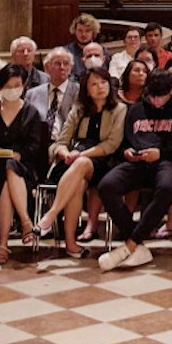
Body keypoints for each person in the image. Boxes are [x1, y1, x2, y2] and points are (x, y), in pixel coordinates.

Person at [97, 68, 172, 270]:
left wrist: (161, 153)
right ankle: (136, 242)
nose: (156, 102)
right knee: (107, 186)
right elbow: (123, 141)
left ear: (171, 91)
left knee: (167, 189)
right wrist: (127, 152)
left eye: (161, 97)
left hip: (165, 162)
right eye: (152, 96)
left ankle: (130, 244)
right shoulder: (136, 109)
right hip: (136, 161)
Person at [35, 66, 126, 256]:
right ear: (86, 88)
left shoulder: (119, 109)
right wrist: (65, 154)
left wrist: (81, 155)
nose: (100, 87)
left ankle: (51, 215)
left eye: (103, 82)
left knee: (82, 164)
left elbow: (112, 144)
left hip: (101, 160)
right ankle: (71, 244)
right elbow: (60, 142)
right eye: (94, 84)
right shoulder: (78, 109)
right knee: (77, 183)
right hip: (71, 161)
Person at [0, 64, 49, 264]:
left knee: (11, 173)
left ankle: (3, 244)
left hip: (23, 166)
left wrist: (19, 155)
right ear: (0, 87)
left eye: (17, 85)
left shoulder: (31, 112)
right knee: (7, 171)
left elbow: (35, 148)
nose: (13, 89)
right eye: (8, 85)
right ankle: (26, 222)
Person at [25, 48, 80, 142]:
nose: (62, 67)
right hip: (37, 143)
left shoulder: (79, 92)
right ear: (46, 68)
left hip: (67, 143)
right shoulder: (32, 94)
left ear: (71, 68)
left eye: (66, 63)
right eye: (57, 63)